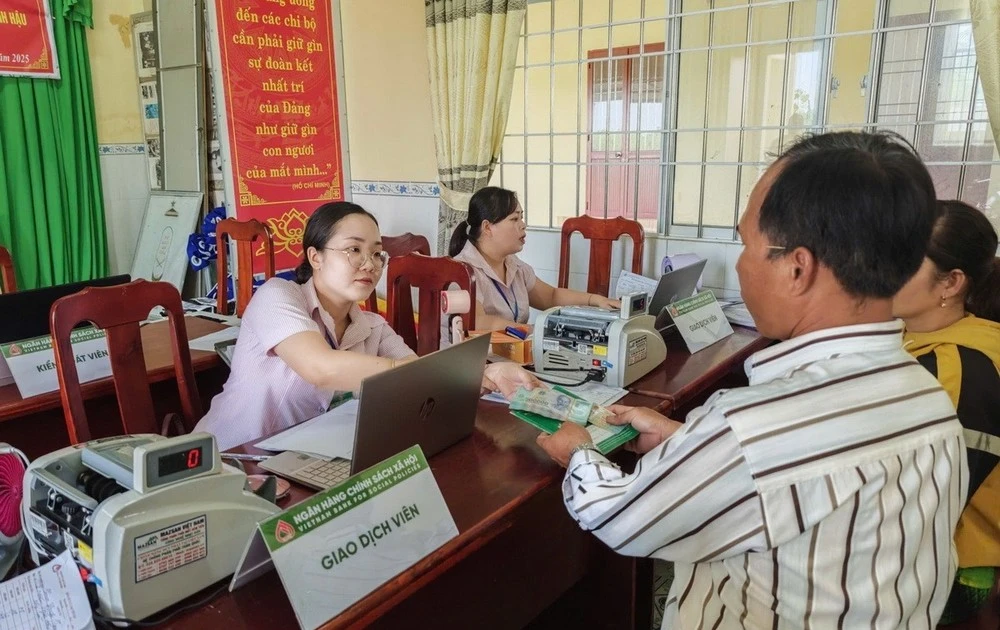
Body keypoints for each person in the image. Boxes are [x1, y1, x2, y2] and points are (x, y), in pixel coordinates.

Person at [536, 131, 966, 628]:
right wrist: (689, 440)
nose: (740, 264)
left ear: (798, 269)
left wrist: (579, 452)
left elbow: (619, 517)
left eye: (745, 244)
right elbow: (791, 476)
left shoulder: (755, 426)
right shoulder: (930, 399)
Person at [195, 202, 540, 450]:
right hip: (230, 460)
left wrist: (487, 373)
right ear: (315, 257)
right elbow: (321, 368)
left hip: (300, 463)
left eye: (376, 254)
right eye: (353, 250)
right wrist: (406, 374)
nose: (369, 264)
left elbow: (420, 376)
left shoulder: (373, 326)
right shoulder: (277, 296)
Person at [892, 200, 1000, 623]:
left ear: (951, 283)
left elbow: (929, 502)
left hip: (953, 568)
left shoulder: (955, 368)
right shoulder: (916, 336)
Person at [448, 187, 619, 332]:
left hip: (512, 353)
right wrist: (533, 331)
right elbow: (479, 323)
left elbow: (551, 296)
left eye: (521, 218)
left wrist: (596, 300)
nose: (523, 225)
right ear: (487, 227)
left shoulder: (514, 265)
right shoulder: (461, 271)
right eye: (514, 219)